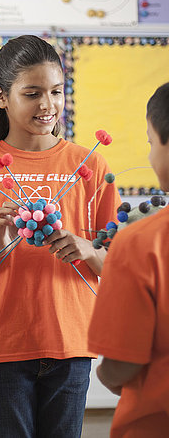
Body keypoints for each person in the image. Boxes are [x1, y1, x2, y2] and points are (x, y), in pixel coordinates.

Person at [0, 35, 121, 437]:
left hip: (71, 342)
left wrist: (87, 248)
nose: (47, 105)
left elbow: (119, 268)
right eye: (32, 94)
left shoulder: (90, 165)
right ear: (1, 95)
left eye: (56, 92)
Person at [89, 82, 169, 437]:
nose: (150, 156)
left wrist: (105, 375)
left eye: (151, 143)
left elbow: (120, 365)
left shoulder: (141, 243)